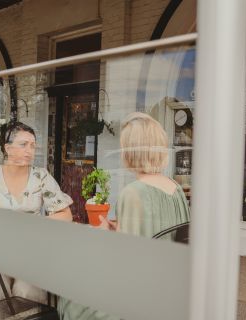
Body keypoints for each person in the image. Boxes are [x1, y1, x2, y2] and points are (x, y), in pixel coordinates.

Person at [57, 112, 191, 319]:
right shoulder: (176, 188)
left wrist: (104, 234)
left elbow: (125, 260)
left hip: (140, 293)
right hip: (167, 284)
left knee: (71, 291)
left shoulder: (134, 192)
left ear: (131, 152)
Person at [0, 121, 73, 305]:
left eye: (33, 145)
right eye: (23, 144)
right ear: (8, 148)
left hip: (30, 251)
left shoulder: (40, 176)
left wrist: (33, 227)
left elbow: (65, 214)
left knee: (28, 290)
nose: (30, 150)